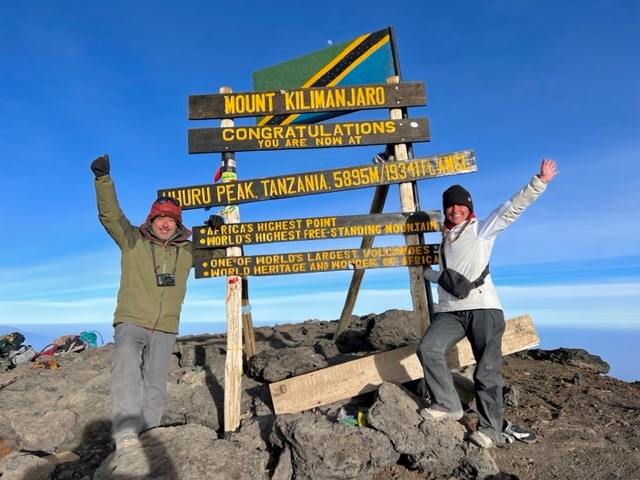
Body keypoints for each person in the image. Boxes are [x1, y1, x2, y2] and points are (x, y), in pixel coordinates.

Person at [416, 158, 559, 449]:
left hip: (484, 309)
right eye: (450, 206)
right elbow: (448, 277)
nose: (455, 210)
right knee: (427, 348)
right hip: (451, 312)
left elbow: (511, 209)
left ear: (469, 208)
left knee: (487, 371)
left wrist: (539, 182)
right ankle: (448, 404)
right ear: (445, 210)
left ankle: (490, 429)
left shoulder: (481, 230)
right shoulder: (444, 240)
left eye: (460, 205)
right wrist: (427, 273)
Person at [91, 154, 225, 450]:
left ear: (178, 225)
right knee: (126, 372)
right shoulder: (132, 241)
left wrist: (219, 233)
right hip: (132, 320)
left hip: (166, 326)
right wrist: (103, 180)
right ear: (152, 220)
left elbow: (218, 259)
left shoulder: (188, 251)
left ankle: (149, 431)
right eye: (161, 219)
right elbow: (110, 216)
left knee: (155, 381)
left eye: (171, 220)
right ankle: (126, 434)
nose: (165, 225)